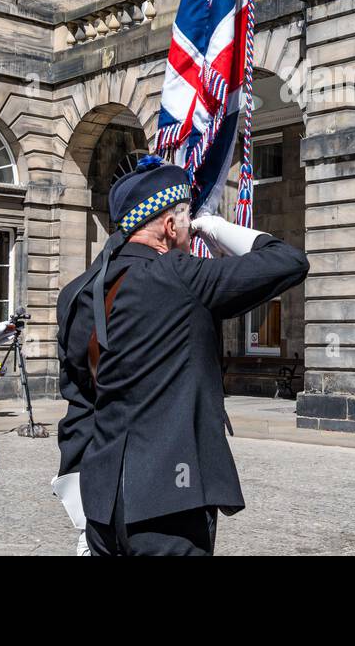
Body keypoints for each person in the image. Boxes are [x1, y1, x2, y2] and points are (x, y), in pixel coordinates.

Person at [76, 156, 308, 556]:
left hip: (102, 498)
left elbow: (78, 395)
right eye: (186, 222)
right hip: (168, 500)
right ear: (169, 226)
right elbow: (288, 261)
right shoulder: (179, 274)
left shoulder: (85, 290)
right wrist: (220, 230)